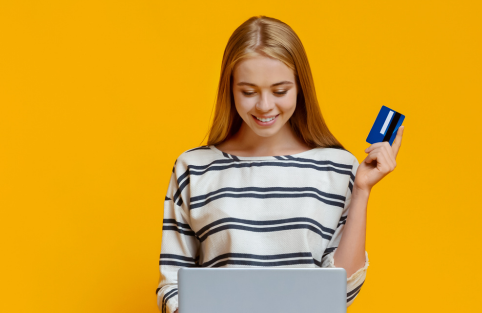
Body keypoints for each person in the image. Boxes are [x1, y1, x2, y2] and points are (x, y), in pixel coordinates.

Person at [155, 15, 405, 313]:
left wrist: (363, 189)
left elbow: (342, 290)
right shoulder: (193, 168)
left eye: (280, 91)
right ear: (229, 88)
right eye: (248, 92)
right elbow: (171, 286)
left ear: (300, 88)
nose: (264, 106)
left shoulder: (338, 168)